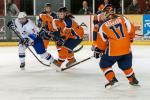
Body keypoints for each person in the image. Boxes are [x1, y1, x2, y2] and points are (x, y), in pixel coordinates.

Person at [93, 4, 139, 88]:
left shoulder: (103, 26)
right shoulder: (123, 19)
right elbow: (131, 30)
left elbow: (101, 43)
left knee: (104, 64)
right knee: (126, 66)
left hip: (114, 51)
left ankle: (112, 79)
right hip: (126, 50)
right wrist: (131, 38)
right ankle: (132, 79)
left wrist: (98, 50)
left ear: (105, 14)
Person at [51, 7, 84, 71]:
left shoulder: (67, 21)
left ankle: (59, 63)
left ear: (65, 14)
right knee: (67, 48)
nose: (60, 15)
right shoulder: (61, 20)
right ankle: (72, 60)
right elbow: (60, 31)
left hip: (76, 37)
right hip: (72, 36)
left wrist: (62, 39)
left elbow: (66, 33)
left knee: (64, 48)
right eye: (59, 13)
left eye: (62, 14)